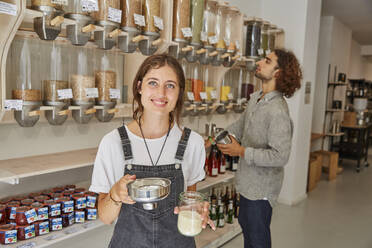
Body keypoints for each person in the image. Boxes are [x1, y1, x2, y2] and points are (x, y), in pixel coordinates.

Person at [89, 54, 214, 248]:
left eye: (170, 85)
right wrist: (115, 194)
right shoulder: (112, 143)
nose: (161, 93)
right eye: (153, 83)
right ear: (139, 87)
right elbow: (105, 217)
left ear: (180, 92)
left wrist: (196, 210)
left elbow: (189, 200)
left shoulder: (193, 143)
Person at [217, 49, 302, 248]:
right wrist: (215, 138)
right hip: (247, 182)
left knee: (257, 239)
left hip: (262, 189)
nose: (260, 62)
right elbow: (240, 125)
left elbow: (280, 156)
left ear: (277, 73)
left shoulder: (278, 111)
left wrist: (242, 151)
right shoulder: (256, 98)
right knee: (247, 227)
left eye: (267, 61)